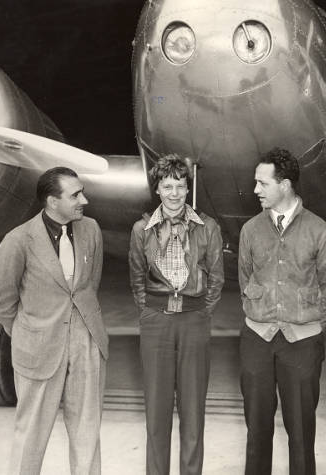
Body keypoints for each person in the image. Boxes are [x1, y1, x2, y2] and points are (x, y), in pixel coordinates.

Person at [0, 166, 108, 475]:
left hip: (86, 343)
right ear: (52, 202)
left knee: (87, 432)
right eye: (75, 195)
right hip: (38, 348)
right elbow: (1, 300)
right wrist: (28, 332)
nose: (85, 200)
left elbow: (88, 286)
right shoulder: (18, 240)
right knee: (30, 434)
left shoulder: (91, 229)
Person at [238, 147, 326, 475]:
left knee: (301, 434)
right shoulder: (250, 230)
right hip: (257, 338)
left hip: (302, 342)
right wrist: (260, 312)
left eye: (262, 183)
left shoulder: (319, 230)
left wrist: (307, 324)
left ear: (285, 185)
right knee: (257, 431)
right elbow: (244, 278)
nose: (255, 190)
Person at [128, 154, 224, 475]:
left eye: (180, 186)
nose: (174, 193)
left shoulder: (206, 227)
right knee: (156, 413)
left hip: (194, 321)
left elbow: (216, 277)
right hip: (156, 322)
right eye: (167, 186)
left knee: (193, 412)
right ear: (157, 189)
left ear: (187, 188)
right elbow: (137, 278)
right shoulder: (142, 229)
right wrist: (151, 313)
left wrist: (199, 313)